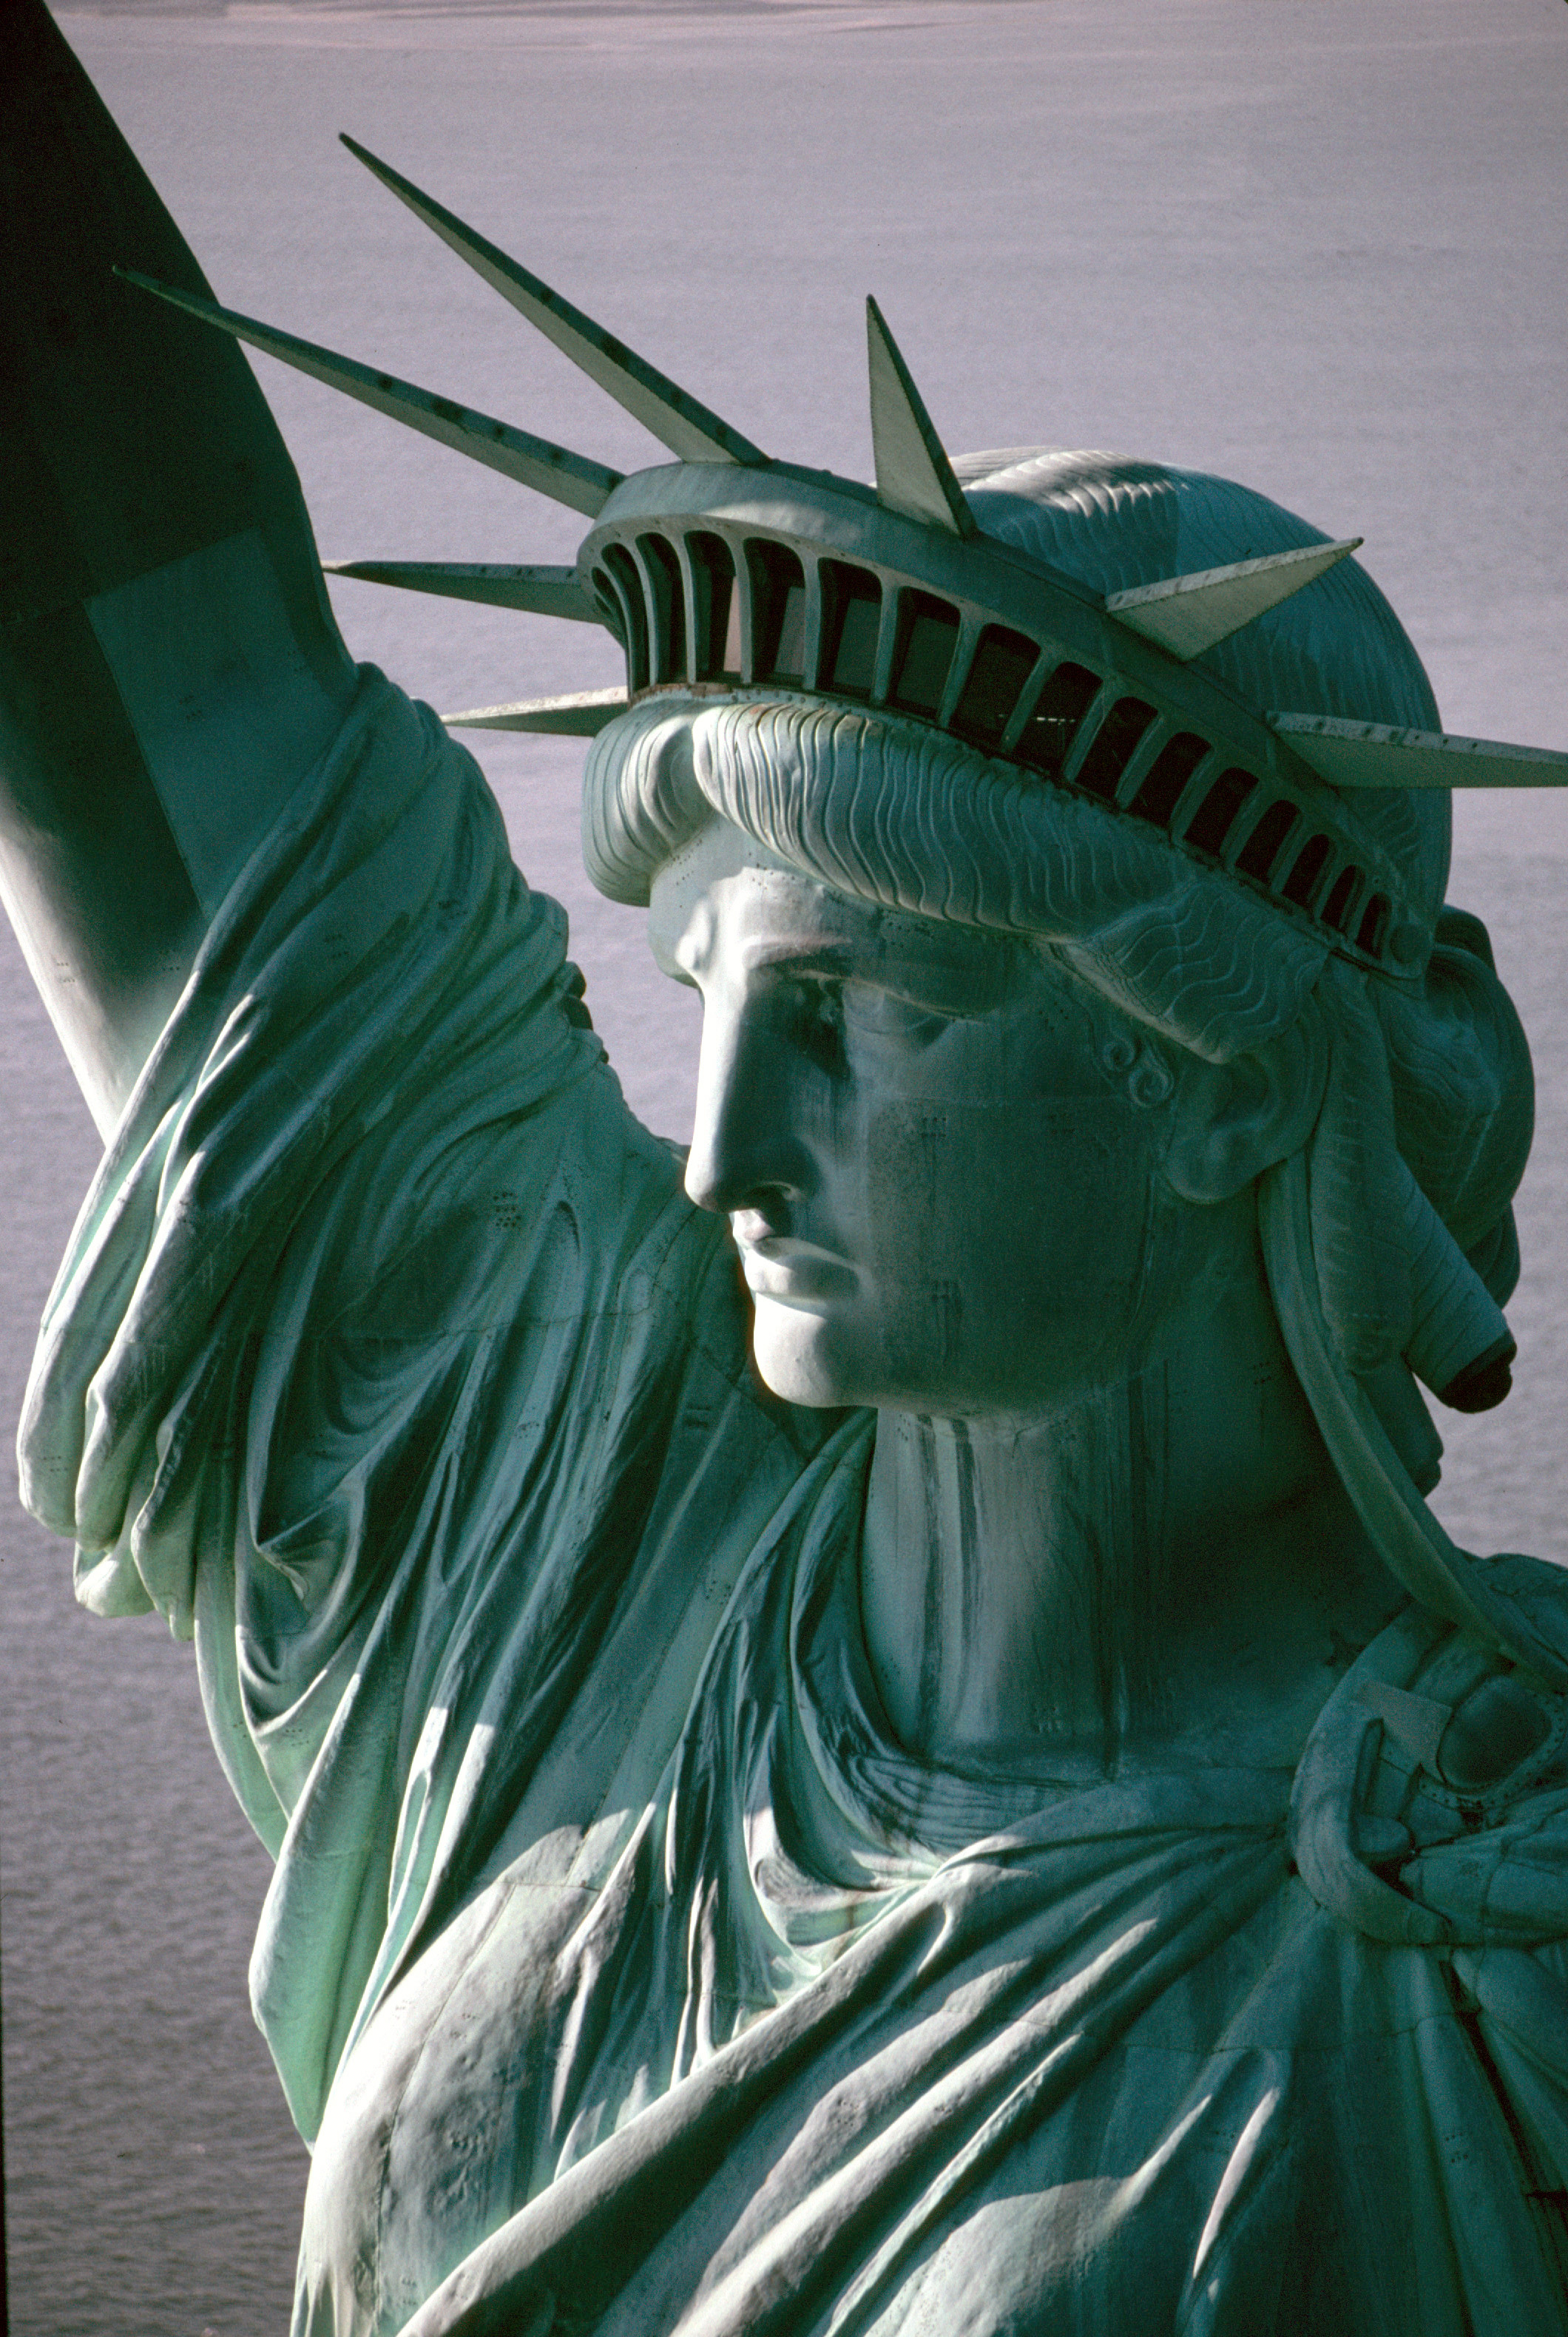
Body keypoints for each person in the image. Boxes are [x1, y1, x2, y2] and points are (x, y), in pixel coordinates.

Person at [4, 6, 1568, 2332]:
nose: (729, 1145)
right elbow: (134, 640)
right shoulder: (562, 1540)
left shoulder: (1469, 1952)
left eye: (872, 1012)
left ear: (1229, 1078)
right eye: (718, 998)